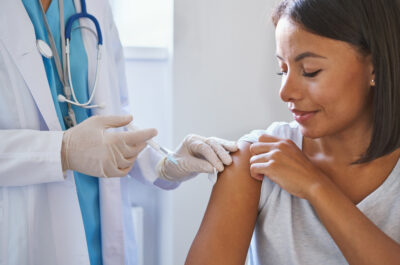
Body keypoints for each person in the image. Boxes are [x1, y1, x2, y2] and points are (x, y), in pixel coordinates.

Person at [0, 0, 238, 264]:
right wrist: (61, 151)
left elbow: (112, 113)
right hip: (24, 228)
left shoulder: (93, 6)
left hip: (99, 233)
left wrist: (162, 163)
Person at [185, 0, 400, 264]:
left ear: (375, 65)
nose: (285, 92)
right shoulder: (255, 160)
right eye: (282, 69)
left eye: (310, 71)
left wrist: (316, 187)